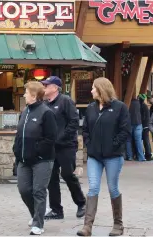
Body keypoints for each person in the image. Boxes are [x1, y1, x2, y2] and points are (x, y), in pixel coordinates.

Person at [77, 77, 131, 236]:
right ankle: (87, 226)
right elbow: (85, 129)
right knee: (93, 187)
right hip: (95, 156)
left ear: (101, 89)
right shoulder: (91, 108)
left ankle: (118, 224)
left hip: (113, 156)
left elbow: (125, 130)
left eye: (93, 88)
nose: (91, 90)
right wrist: (89, 143)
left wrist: (114, 144)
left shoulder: (120, 107)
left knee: (112, 187)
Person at [13, 81, 57, 235]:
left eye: (26, 92)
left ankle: (38, 223)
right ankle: (36, 213)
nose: (24, 95)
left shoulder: (46, 113)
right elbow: (19, 135)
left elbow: (51, 138)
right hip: (24, 160)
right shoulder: (25, 111)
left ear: (33, 95)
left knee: (39, 190)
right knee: (24, 190)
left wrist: (36, 151)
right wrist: (17, 152)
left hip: (42, 160)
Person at [41, 76, 86, 220]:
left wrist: (61, 137)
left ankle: (81, 203)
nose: (44, 87)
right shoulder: (45, 104)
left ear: (55, 88)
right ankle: (56, 210)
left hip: (66, 146)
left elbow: (74, 122)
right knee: (51, 178)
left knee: (67, 174)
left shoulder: (65, 101)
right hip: (51, 148)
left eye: (47, 85)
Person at [126, 96, 146, 161]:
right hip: (138, 123)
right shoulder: (139, 103)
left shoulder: (126, 103)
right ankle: (141, 157)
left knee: (128, 140)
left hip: (129, 123)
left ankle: (130, 156)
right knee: (138, 141)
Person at [138, 94, 152, 161]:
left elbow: (143, 117)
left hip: (144, 126)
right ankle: (148, 154)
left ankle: (147, 154)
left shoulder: (142, 106)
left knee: (144, 141)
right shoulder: (145, 106)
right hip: (146, 125)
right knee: (145, 141)